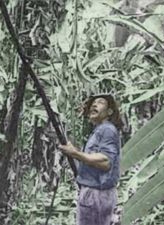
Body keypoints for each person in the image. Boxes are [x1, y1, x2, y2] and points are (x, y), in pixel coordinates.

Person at [59, 93, 122, 225]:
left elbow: (105, 162)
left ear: (109, 111)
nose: (94, 105)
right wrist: (74, 153)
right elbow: (93, 159)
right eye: (93, 103)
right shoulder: (100, 130)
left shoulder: (107, 129)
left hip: (97, 195)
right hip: (96, 193)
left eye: (100, 103)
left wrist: (75, 154)